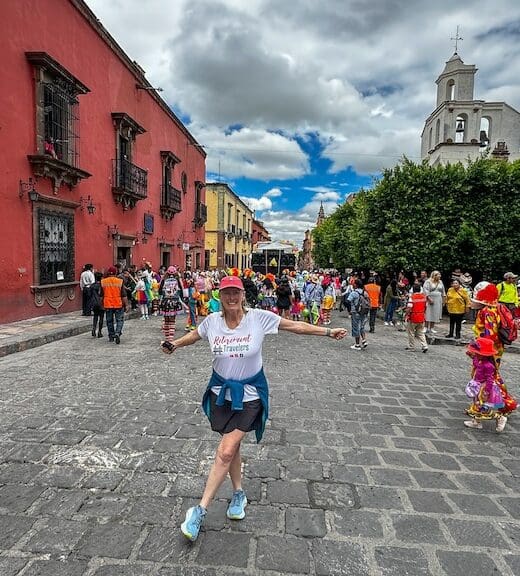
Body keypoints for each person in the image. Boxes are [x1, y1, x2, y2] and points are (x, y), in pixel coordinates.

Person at [161, 275, 347, 542]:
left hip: (250, 396)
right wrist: (175, 345)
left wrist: (328, 332)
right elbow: (195, 335)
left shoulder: (259, 318)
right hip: (221, 394)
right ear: (220, 296)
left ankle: (199, 509)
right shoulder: (212, 322)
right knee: (231, 446)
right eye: (226, 293)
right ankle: (238, 494)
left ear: (243, 295)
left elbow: (295, 326)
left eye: (236, 292)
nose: (232, 297)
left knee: (225, 451)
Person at [463, 337, 516, 432]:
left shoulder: (488, 366)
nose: (475, 354)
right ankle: (476, 422)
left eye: (477, 352)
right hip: (478, 386)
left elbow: (490, 379)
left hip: (484, 387)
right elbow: (475, 364)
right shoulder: (480, 361)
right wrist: (472, 356)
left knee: (484, 407)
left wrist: (487, 390)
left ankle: (500, 418)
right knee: (477, 405)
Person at [100, 266, 128, 344]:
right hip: (118, 303)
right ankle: (117, 333)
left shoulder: (103, 282)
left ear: (108, 273)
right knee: (120, 320)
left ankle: (111, 336)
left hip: (108, 304)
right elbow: (124, 295)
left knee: (109, 321)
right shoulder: (120, 281)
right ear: (116, 273)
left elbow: (101, 295)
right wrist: (127, 305)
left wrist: (101, 304)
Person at [159, 266, 184, 343]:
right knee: (172, 320)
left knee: (166, 320)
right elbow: (181, 290)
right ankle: (171, 339)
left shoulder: (164, 280)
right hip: (175, 301)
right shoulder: (177, 280)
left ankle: (167, 338)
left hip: (165, 301)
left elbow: (160, 291)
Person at [404, 284, 428, 352]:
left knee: (411, 332)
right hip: (421, 317)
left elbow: (409, 308)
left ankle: (411, 347)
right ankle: (425, 345)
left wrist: (406, 315)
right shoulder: (424, 297)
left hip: (413, 317)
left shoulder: (412, 297)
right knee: (420, 332)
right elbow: (425, 307)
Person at [347, 278, 369, 350]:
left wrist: (349, 309)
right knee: (362, 326)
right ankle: (364, 340)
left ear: (356, 285)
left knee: (356, 327)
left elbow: (348, 301)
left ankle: (357, 344)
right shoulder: (365, 292)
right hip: (364, 311)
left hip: (356, 312)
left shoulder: (354, 293)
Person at [88, 271, 104, 338]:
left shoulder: (92, 286)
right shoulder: (102, 285)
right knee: (101, 317)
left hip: (94, 303)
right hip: (101, 303)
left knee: (95, 316)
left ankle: (94, 329)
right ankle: (99, 332)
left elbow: (89, 295)